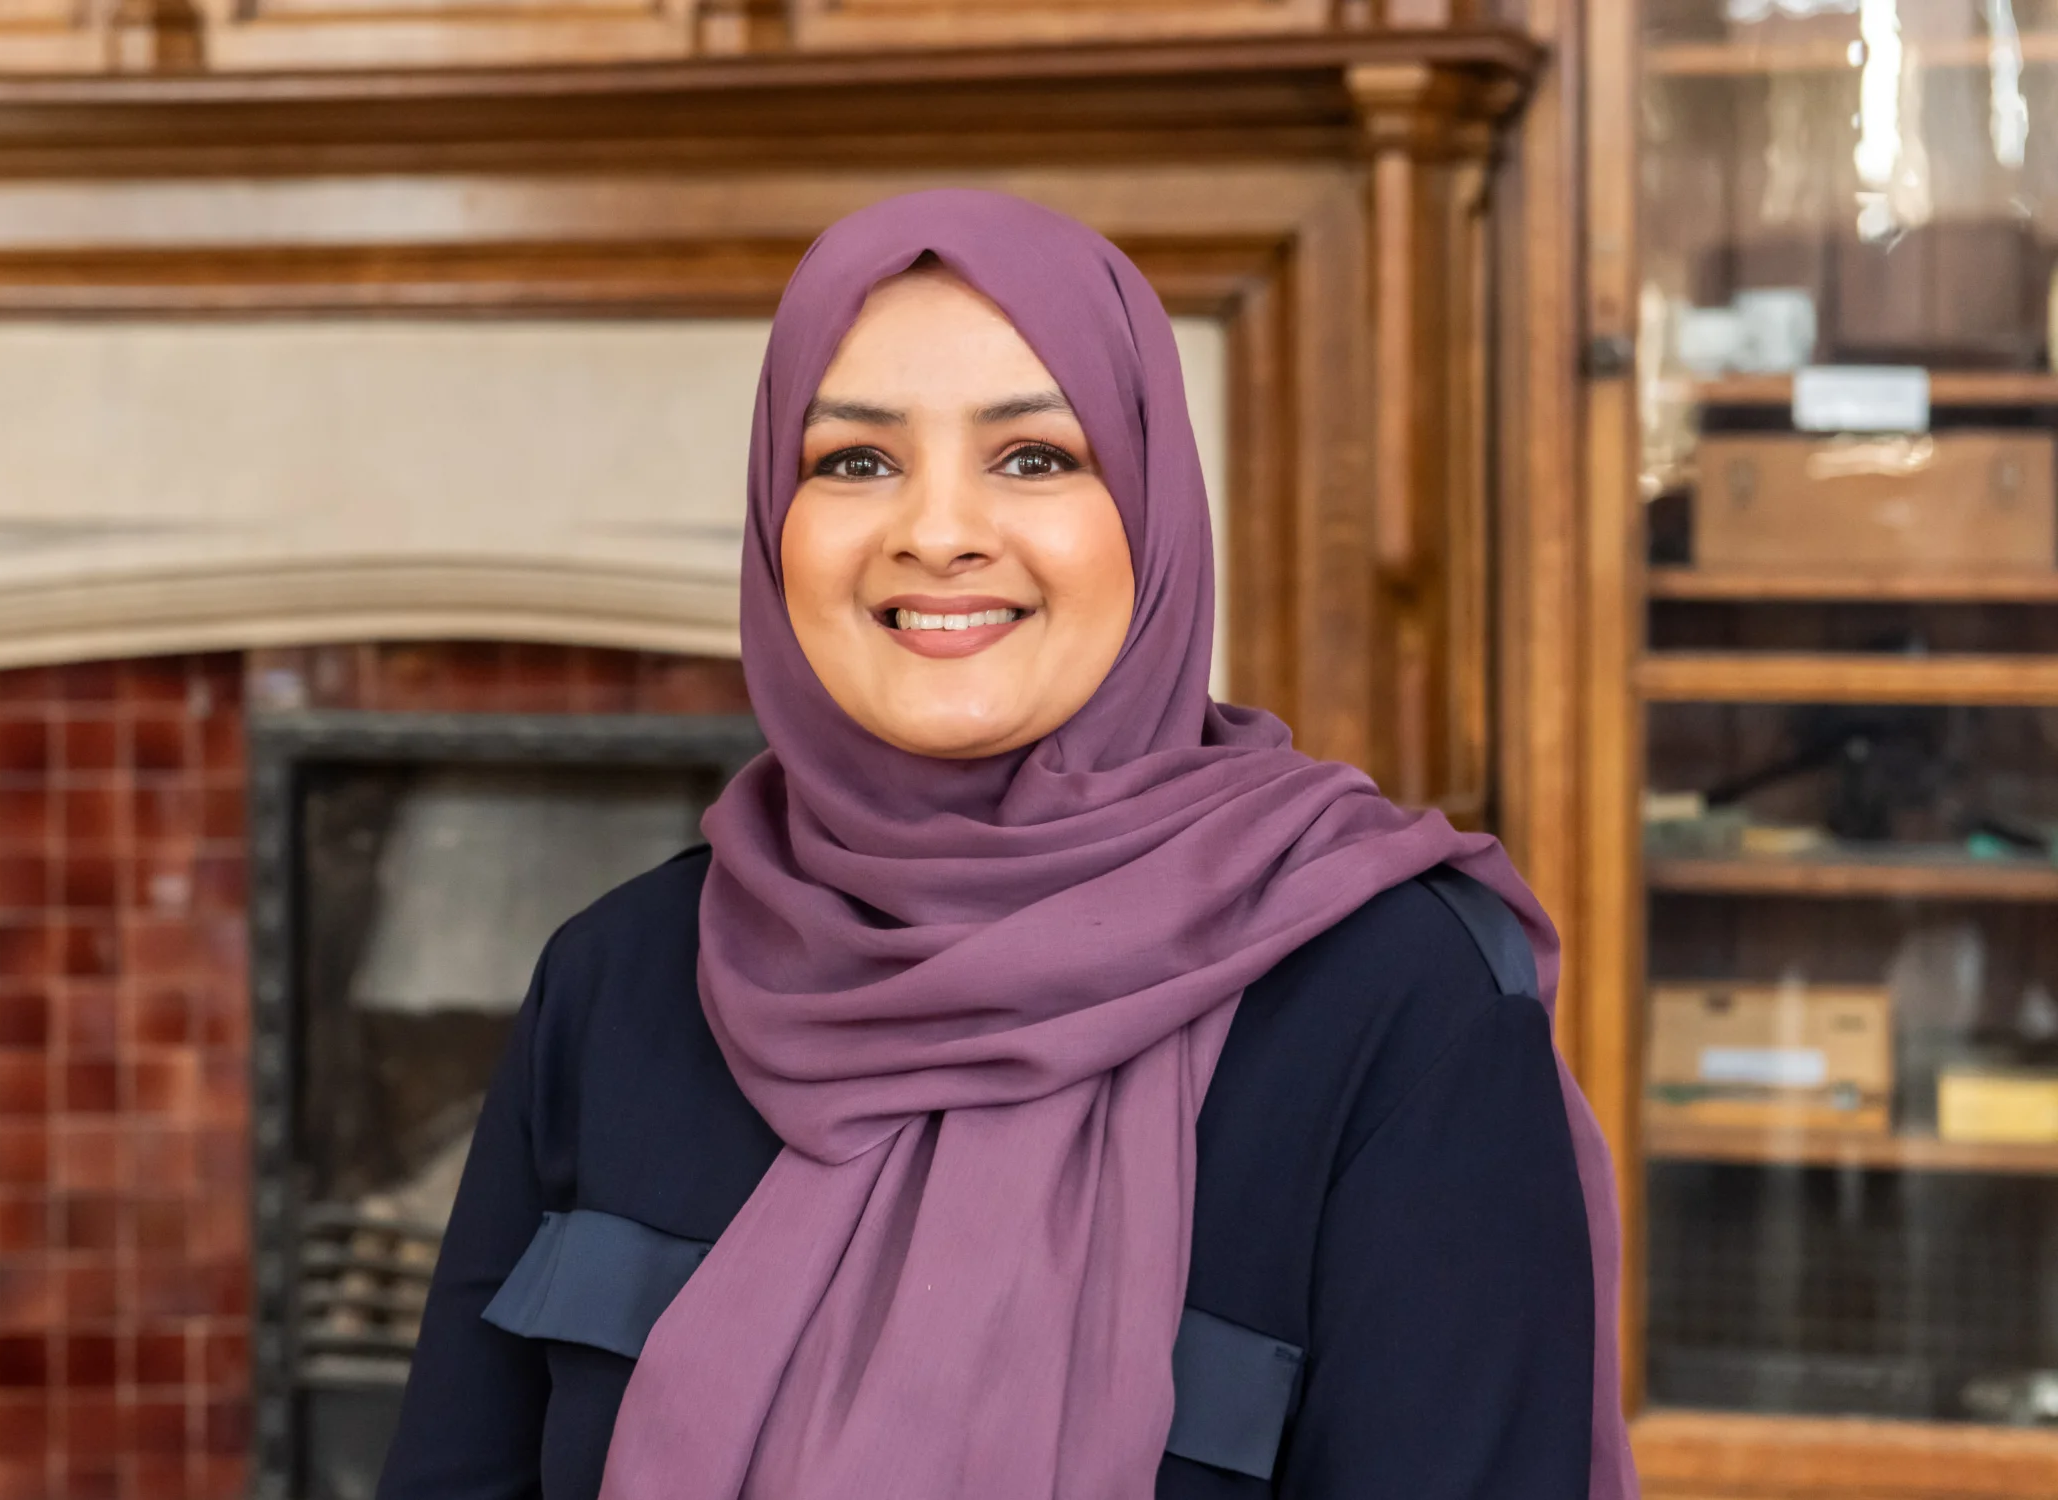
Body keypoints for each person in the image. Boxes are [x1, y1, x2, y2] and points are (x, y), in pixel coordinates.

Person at [375, 189, 1636, 1500]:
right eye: (855, 460)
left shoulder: (1399, 1012)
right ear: (772, 520)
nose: (937, 531)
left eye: (1034, 457)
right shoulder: (617, 979)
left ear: (1151, 516)